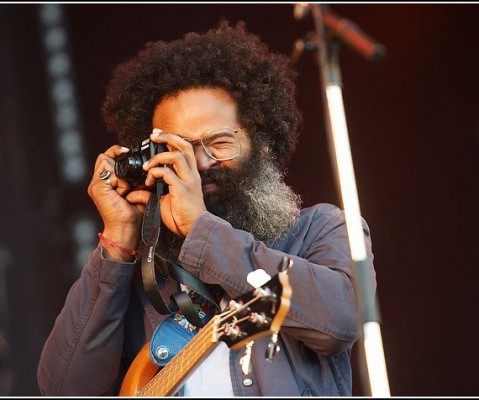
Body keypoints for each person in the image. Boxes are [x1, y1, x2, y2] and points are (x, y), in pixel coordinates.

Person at [37, 20, 376, 396]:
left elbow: (343, 320)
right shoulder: (142, 277)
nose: (199, 163)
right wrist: (117, 245)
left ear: (260, 141)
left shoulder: (320, 230)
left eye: (219, 142)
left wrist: (200, 228)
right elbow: (63, 388)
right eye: (178, 149)